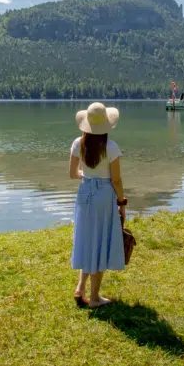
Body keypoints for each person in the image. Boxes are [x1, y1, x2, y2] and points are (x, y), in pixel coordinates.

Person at [69, 102, 127, 308]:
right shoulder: (111, 147)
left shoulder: (78, 144)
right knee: (100, 241)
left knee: (86, 239)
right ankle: (94, 297)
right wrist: (122, 202)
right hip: (103, 196)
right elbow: (116, 180)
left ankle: (80, 288)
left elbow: (72, 173)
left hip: (84, 193)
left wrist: (87, 176)